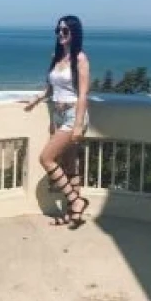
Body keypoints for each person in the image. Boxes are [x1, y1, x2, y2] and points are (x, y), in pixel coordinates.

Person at [24, 15, 90, 229]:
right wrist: (36, 99)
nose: (60, 34)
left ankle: (76, 202)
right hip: (58, 116)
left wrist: (78, 124)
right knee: (69, 165)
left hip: (73, 115)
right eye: (58, 30)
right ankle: (72, 215)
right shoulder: (57, 56)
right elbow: (51, 87)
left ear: (74, 33)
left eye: (65, 30)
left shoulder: (80, 59)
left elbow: (83, 94)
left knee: (46, 158)